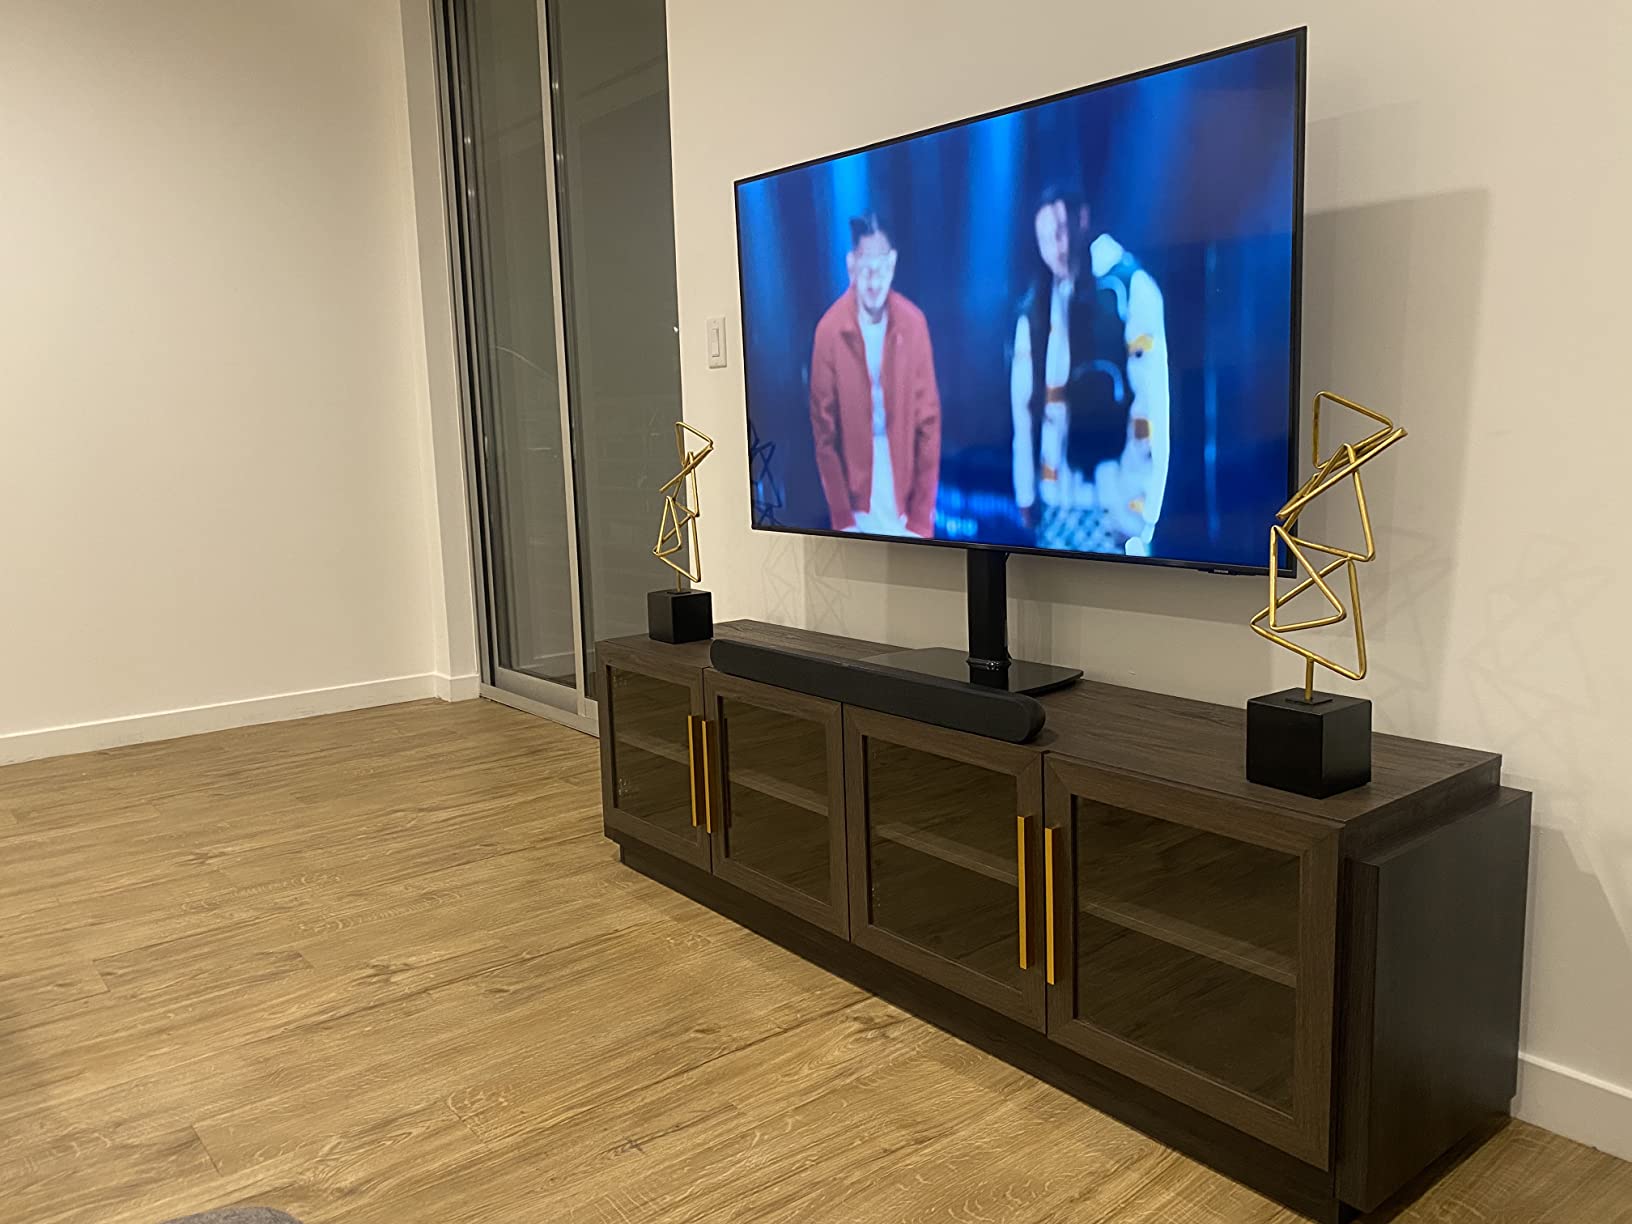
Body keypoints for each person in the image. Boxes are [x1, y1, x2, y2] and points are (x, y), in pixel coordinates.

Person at [1009, 186, 1169, 555]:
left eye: (1062, 232)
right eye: (1046, 238)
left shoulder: (1128, 287)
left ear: (1083, 221)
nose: (1057, 248)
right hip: (1053, 504)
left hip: (1114, 504)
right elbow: (1022, 406)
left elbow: (1152, 405)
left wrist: (1140, 510)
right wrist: (1026, 491)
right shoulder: (1036, 306)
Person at [809, 213, 942, 538]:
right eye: (865, 269)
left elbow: (929, 423)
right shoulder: (829, 329)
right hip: (855, 499)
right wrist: (842, 518)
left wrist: (921, 518)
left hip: (905, 493)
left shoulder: (913, 323)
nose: (873, 281)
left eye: (881, 268)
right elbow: (824, 435)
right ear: (850, 265)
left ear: (893, 264)